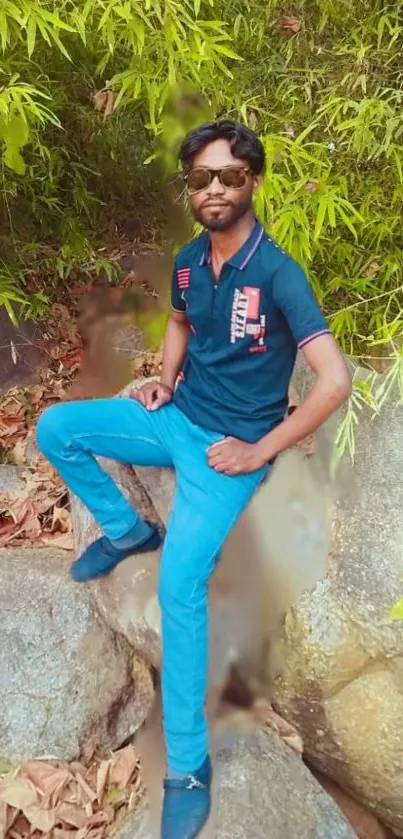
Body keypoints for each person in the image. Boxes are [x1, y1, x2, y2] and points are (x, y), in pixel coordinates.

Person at [36, 120, 351, 839]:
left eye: (228, 176)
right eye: (200, 177)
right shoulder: (186, 261)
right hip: (176, 419)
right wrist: (162, 379)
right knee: (57, 427)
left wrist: (258, 450)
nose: (213, 188)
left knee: (179, 585)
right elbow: (179, 322)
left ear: (252, 183)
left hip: (228, 452)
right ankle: (125, 528)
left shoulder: (278, 273)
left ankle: (185, 767)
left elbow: (333, 380)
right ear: (190, 188)